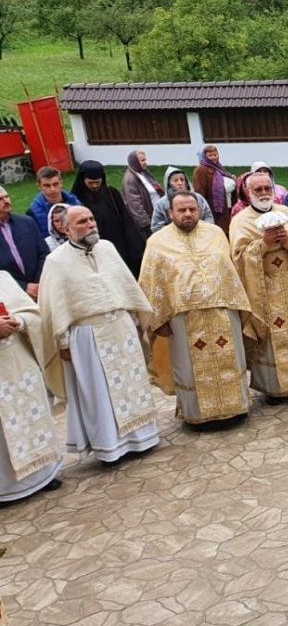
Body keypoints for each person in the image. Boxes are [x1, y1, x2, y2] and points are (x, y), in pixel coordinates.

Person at [39, 205, 160, 463]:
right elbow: (55, 306)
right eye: (82, 221)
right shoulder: (56, 261)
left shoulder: (107, 248)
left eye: (92, 218)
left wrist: (138, 319)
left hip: (121, 328)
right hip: (88, 335)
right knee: (100, 392)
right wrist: (62, 342)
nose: (91, 224)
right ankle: (111, 446)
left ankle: (143, 438)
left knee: (132, 383)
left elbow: (126, 285)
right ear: (65, 228)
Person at [139, 191, 252, 425]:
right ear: (170, 213)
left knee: (229, 361)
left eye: (192, 209)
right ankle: (197, 416)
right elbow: (151, 283)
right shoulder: (157, 242)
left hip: (223, 310)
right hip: (183, 319)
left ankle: (235, 408)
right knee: (189, 368)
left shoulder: (215, 233)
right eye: (182, 210)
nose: (188, 214)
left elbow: (230, 271)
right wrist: (158, 321)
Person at [229, 173, 288, 402]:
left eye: (266, 188)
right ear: (248, 193)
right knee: (270, 333)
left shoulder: (287, 213)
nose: (263, 193)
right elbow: (238, 259)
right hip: (264, 293)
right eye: (257, 189)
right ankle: (275, 387)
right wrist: (264, 243)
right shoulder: (240, 221)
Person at [0, 271, 63, 504]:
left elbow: (33, 314)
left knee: (31, 416)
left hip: (18, 365)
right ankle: (7, 488)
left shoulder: (3, 278)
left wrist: (19, 321)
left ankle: (44, 475)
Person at [71, 161, 146, 275]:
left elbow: (127, 221)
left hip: (118, 245)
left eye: (98, 182)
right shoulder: (76, 200)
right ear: (82, 180)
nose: (95, 186)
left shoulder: (111, 194)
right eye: (91, 183)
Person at [0, 185, 48, 298]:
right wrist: (23, 286)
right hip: (10, 294)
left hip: (41, 286)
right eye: (0, 199)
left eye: (6, 197)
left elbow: (44, 252)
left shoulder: (27, 222)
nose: (6, 201)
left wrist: (38, 282)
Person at [151, 167, 214, 234]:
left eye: (182, 180)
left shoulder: (198, 198)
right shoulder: (161, 203)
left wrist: (200, 230)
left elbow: (208, 217)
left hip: (199, 236)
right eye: (176, 180)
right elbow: (156, 226)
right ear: (169, 183)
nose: (180, 183)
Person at [192, 144, 236, 233]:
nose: (213, 157)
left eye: (215, 155)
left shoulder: (219, 168)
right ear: (205, 157)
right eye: (210, 155)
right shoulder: (201, 170)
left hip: (227, 208)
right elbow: (199, 192)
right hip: (214, 210)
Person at [27, 166, 79, 239]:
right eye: (47, 186)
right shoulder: (33, 212)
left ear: (61, 183)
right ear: (39, 186)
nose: (52, 189)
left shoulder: (75, 203)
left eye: (55, 184)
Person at [121, 150, 163, 234]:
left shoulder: (143, 173)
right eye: (142, 160)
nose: (145, 163)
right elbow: (135, 204)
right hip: (149, 221)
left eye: (145, 160)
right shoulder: (130, 179)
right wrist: (146, 223)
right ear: (134, 162)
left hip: (157, 215)